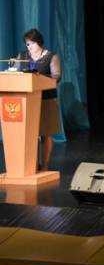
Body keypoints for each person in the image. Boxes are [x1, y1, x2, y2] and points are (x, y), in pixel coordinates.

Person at [16, 28, 62, 170]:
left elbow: (56, 77)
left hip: (47, 99)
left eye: (31, 43)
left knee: (46, 134)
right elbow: (16, 74)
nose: (29, 46)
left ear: (39, 42)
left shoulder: (51, 56)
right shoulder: (22, 56)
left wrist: (38, 77)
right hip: (28, 101)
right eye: (27, 44)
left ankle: (45, 165)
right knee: (31, 134)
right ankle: (33, 164)